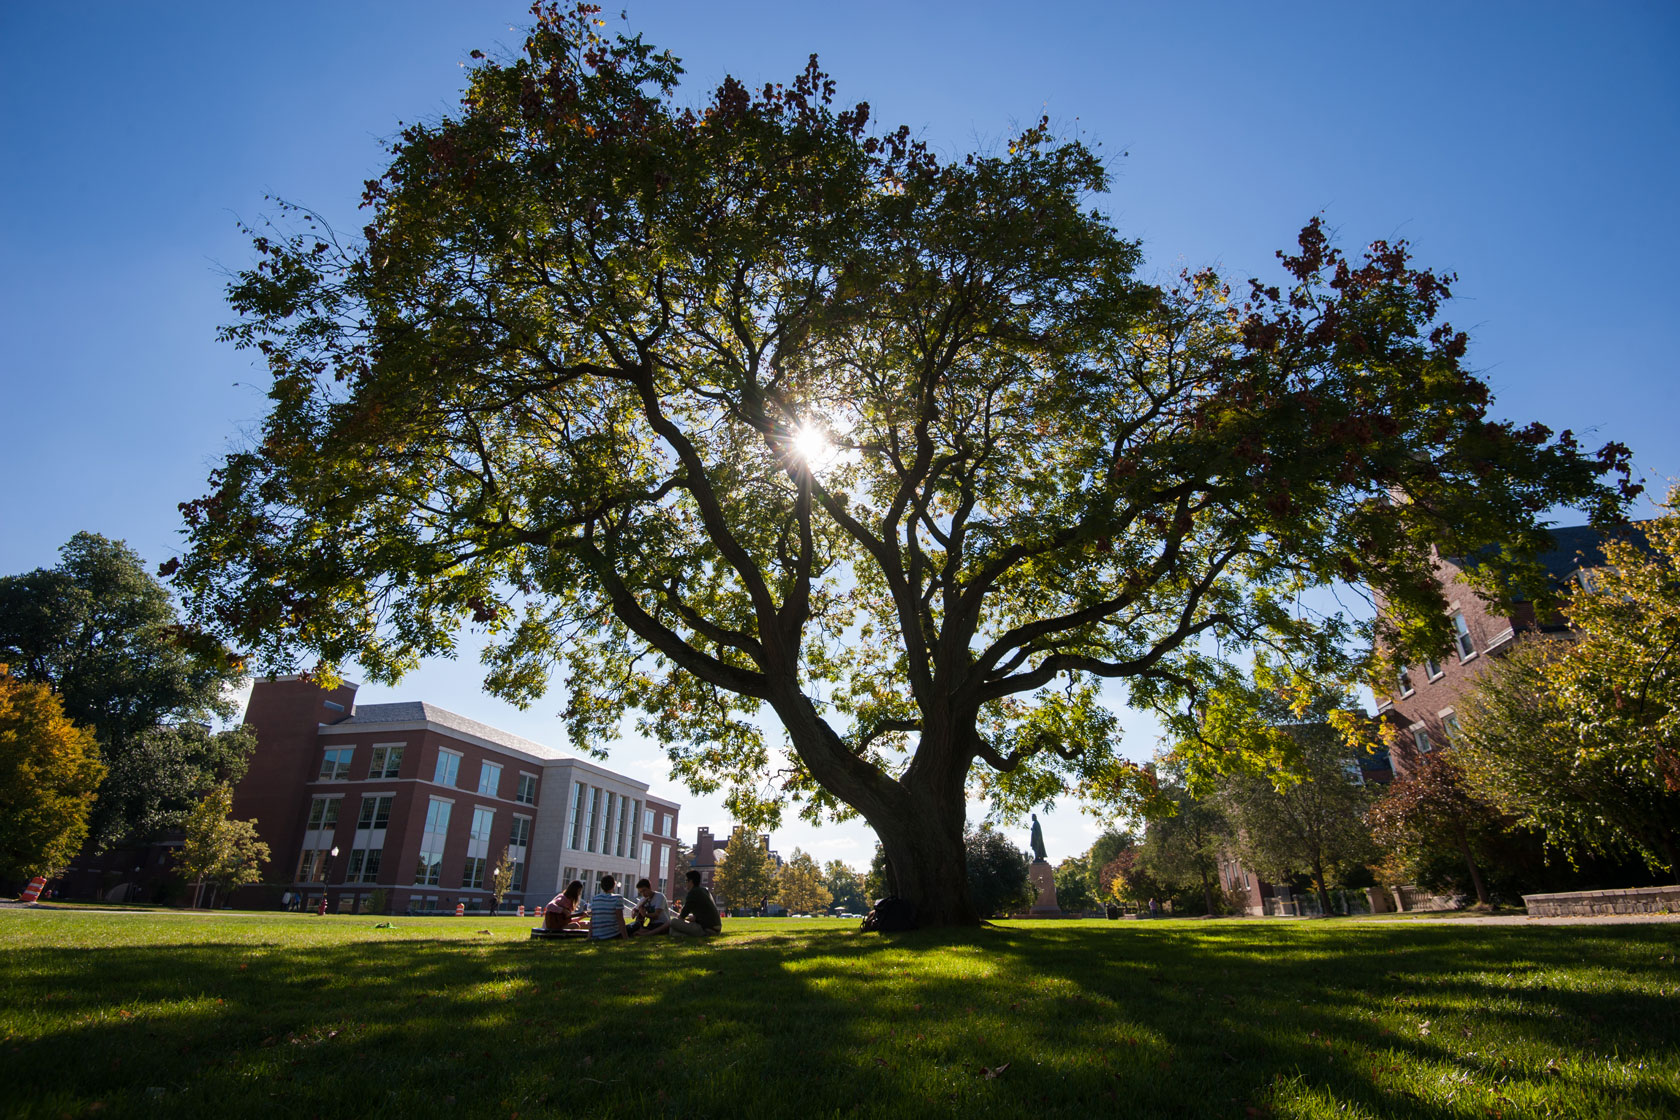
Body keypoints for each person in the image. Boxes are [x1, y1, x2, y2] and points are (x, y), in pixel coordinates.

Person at [670, 869, 722, 938]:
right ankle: (682, 935)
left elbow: (682, 916)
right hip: (716, 928)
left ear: (691, 881)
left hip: (706, 929)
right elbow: (704, 914)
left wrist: (682, 920)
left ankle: (691, 936)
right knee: (672, 931)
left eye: (686, 881)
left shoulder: (693, 893)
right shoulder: (704, 891)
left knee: (673, 922)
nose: (685, 883)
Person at [589, 875, 630, 941]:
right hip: (612, 934)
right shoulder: (617, 898)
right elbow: (620, 919)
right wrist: (626, 938)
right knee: (634, 926)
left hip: (597, 935)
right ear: (614, 885)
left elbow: (592, 919)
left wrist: (589, 937)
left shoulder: (595, 899)